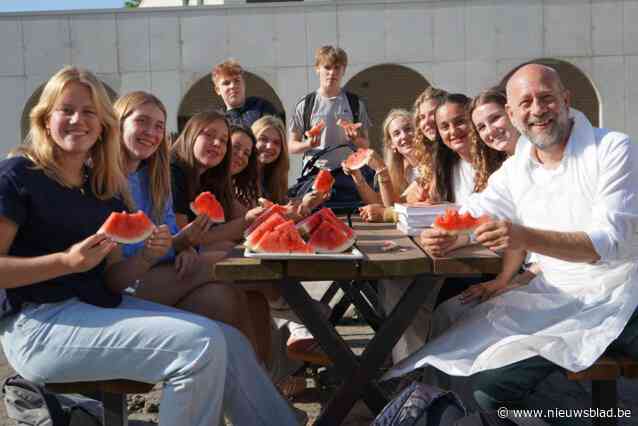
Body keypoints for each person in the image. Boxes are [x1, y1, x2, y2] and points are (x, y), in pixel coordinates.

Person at [0, 66, 296, 426]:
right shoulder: (17, 175)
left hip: (99, 306)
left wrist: (145, 257)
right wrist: (65, 261)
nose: (79, 120)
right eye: (67, 110)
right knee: (200, 344)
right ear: (46, 118)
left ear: (102, 124)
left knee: (228, 341)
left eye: (90, 112)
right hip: (37, 325)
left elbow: (111, 280)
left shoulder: (103, 188)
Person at [387, 64, 638, 424]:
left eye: (546, 98)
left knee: (487, 389)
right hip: (553, 295)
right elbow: (474, 210)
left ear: (566, 100)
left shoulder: (613, 148)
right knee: (454, 342)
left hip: (620, 293)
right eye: (526, 103)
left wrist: (523, 236)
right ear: (513, 112)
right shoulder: (516, 170)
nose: (537, 110)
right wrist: (444, 232)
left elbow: (607, 242)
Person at [114, 91, 263, 362]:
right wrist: (181, 244)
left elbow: (170, 232)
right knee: (240, 265)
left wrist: (182, 245)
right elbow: (132, 249)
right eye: (142, 122)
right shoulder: (107, 177)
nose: (151, 132)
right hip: (125, 283)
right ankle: (298, 320)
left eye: (158, 126)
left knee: (227, 298)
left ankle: (264, 383)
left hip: (161, 271)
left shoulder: (155, 175)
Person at [288, 45, 372, 171]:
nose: (332, 72)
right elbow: (291, 146)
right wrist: (308, 144)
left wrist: (355, 139)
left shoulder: (355, 103)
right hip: (315, 170)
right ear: (317, 69)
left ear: (343, 70)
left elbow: (366, 145)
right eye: (327, 67)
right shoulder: (305, 105)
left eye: (337, 68)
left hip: (347, 171)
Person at [212, 59, 285, 128]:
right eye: (226, 83)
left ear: (244, 83)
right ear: (218, 90)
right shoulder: (216, 119)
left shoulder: (262, 107)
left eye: (237, 81)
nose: (233, 86)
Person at [469, 87, 519, 157]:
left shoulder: (538, 154)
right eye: (482, 127)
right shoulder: (507, 166)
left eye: (495, 118)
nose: (490, 131)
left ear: (511, 113)